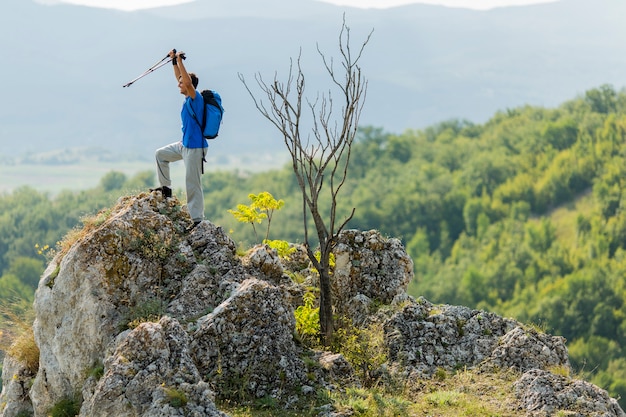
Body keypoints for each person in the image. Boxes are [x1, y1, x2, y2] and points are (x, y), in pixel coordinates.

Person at [152, 49, 207, 232]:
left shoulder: (195, 97)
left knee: (192, 183)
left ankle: (198, 220)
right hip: (184, 145)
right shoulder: (187, 98)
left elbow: (187, 82)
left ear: (189, 85)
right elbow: (181, 78)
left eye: (181, 83)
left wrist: (181, 62)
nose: (178, 85)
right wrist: (174, 61)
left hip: (195, 148)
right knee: (161, 155)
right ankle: (165, 189)